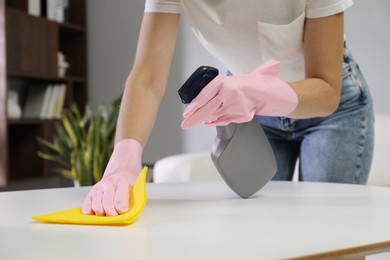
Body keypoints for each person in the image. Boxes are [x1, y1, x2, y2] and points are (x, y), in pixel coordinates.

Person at [82, 0, 374, 216]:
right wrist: (124, 157)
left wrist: (258, 91)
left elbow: (327, 91)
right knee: (262, 232)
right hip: (252, 109)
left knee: (331, 232)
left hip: (332, 114)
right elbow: (147, 76)